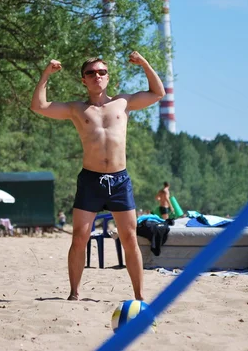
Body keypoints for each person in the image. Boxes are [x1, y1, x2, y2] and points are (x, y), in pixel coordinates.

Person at [31, 51, 165, 301]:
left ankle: (139, 296)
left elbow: (158, 94)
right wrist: (46, 74)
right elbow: (38, 106)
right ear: (83, 79)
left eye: (101, 72)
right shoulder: (76, 108)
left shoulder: (123, 102)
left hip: (119, 179)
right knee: (80, 236)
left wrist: (144, 63)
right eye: (91, 73)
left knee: (128, 237)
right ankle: (74, 293)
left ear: (108, 77)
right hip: (91, 180)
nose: (97, 76)